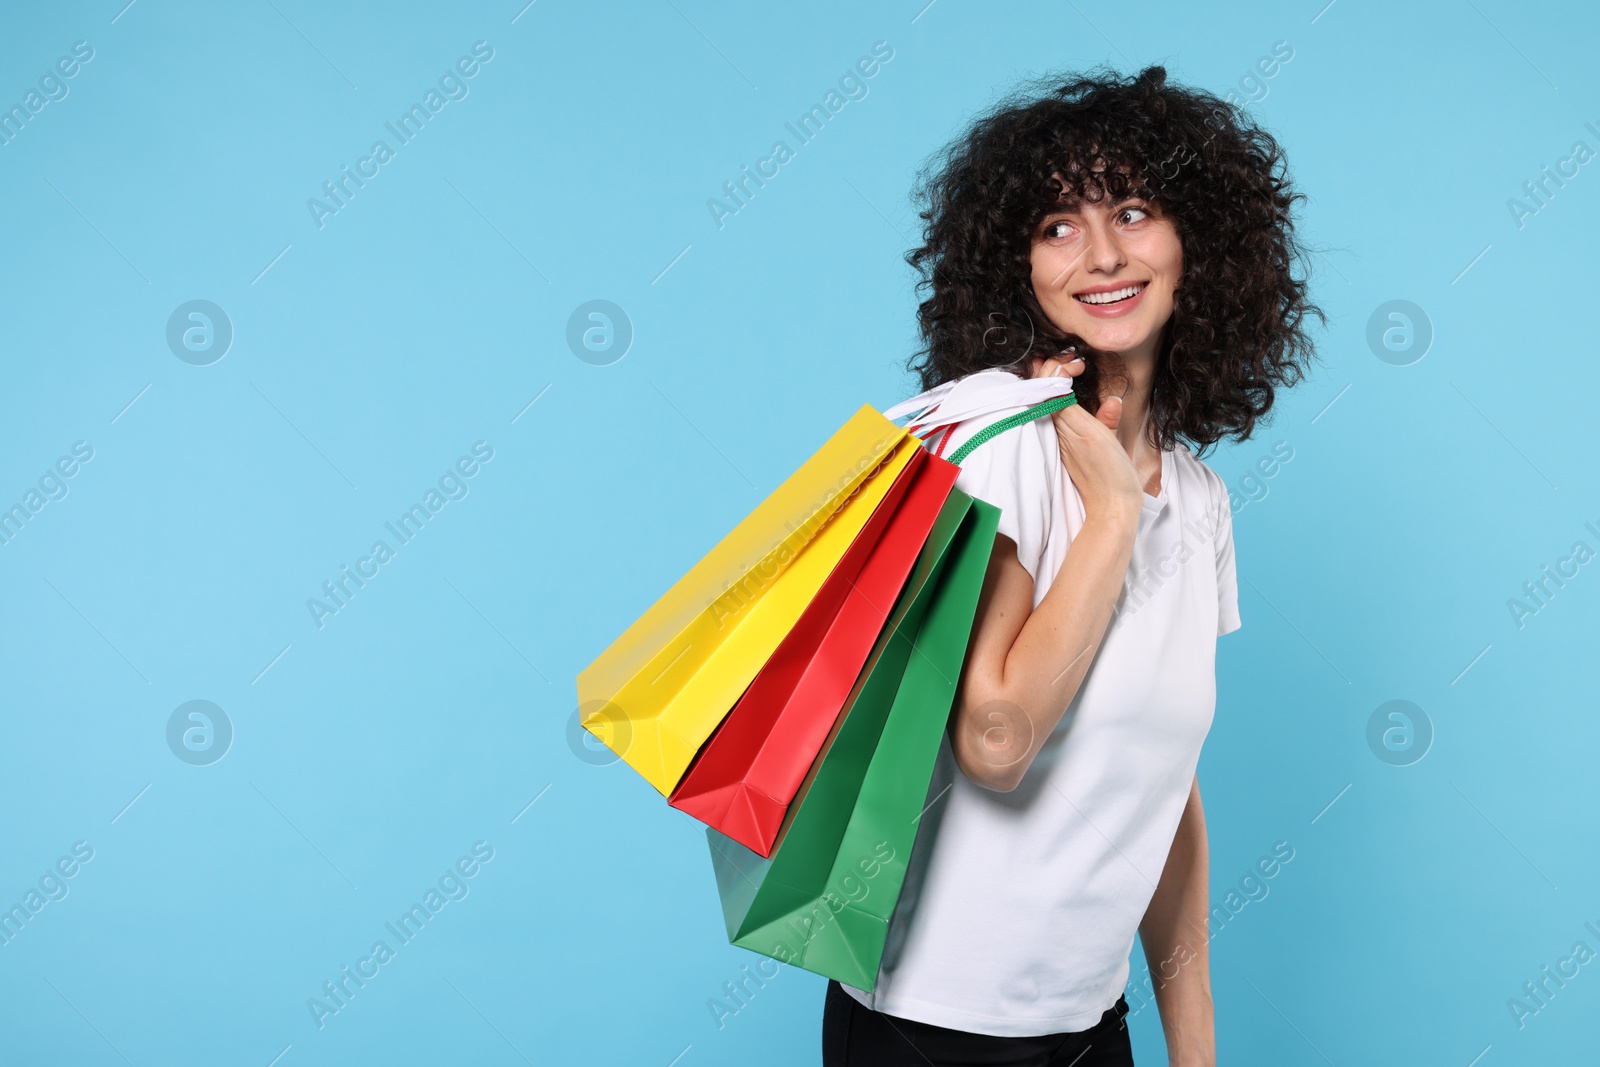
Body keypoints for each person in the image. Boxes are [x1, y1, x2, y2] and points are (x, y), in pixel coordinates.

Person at [823, 65, 1323, 1066]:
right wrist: (1105, 518)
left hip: (1091, 1030)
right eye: (1057, 224)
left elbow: (1164, 789)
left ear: (1197, 247)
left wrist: (1196, 1048)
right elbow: (996, 741)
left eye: (1133, 211)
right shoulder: (1000, 457)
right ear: (1018, 265)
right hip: (931, 1032)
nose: (1100, 254)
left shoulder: (1197, 498)